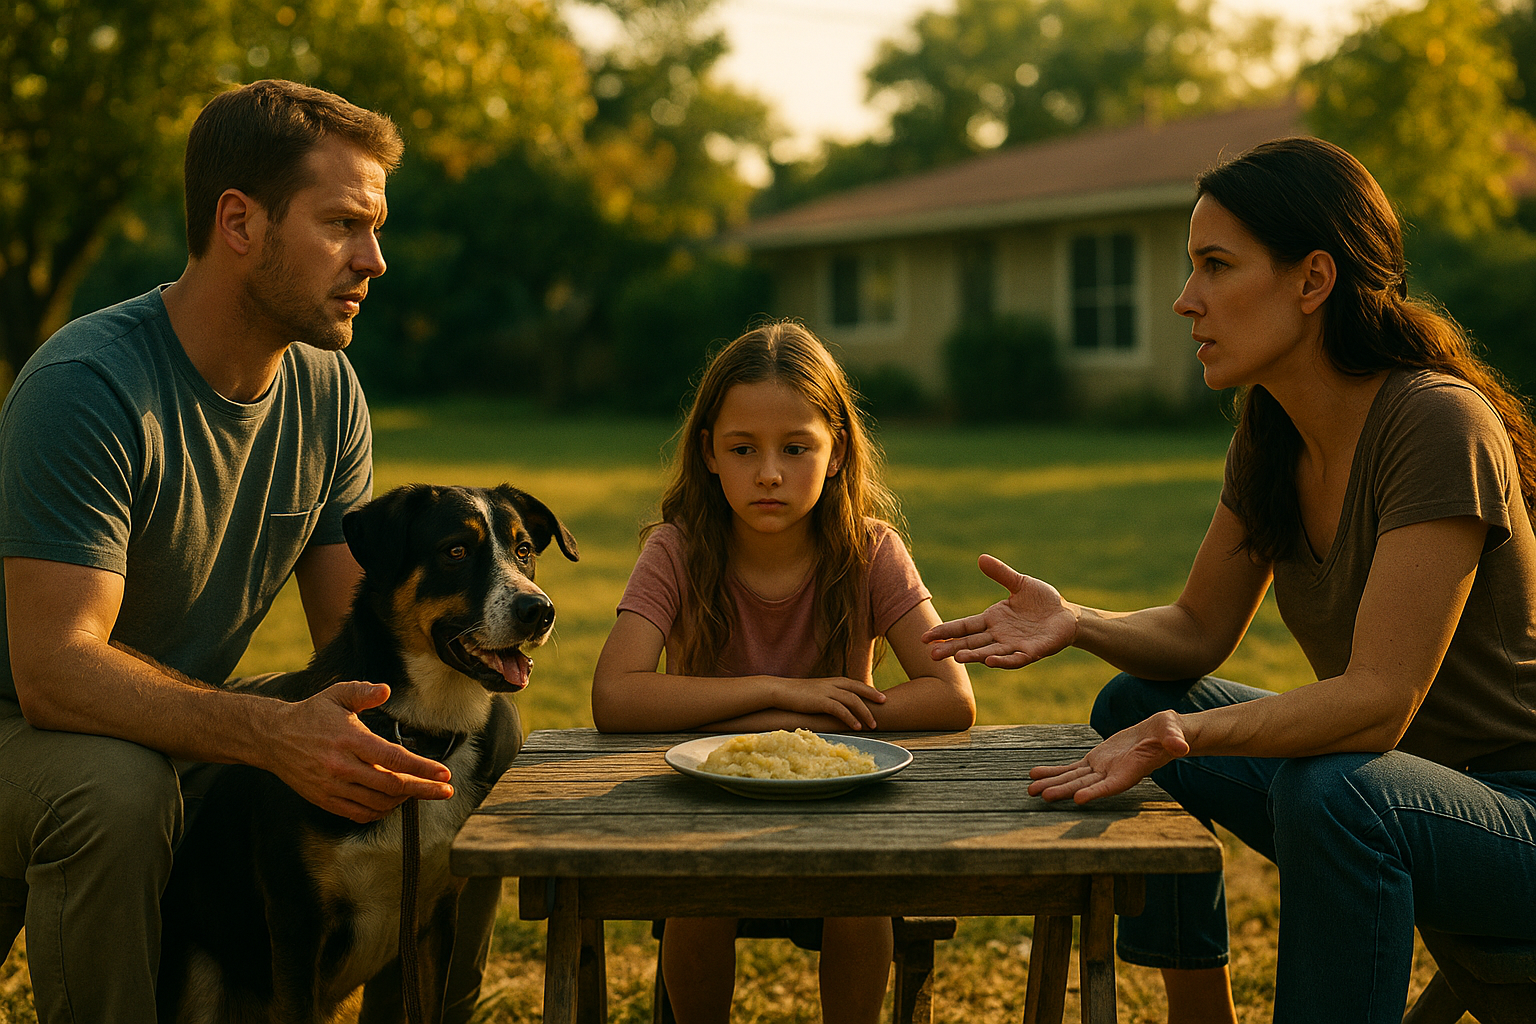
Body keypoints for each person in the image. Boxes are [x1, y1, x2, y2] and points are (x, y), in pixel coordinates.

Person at [923, 136, 1536, 1024]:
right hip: (1406, 787)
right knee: (1135, 701)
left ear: (1312, 279)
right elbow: (1198, 632)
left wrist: (1188, 733)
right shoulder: (1272, 431)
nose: (1185, 300)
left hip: (1512, 816)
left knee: (1335, 789)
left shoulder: (1438, 424)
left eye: (1215, 265)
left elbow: (1378, 703)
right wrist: (1079, 620)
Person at [0, 79, 513, 1023]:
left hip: (174, 721)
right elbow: (52, 672)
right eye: (345, 225)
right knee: (117, 791)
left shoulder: (327, 389)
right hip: (31, 732)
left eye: (378, 227)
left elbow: (354, 637)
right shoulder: (89, 385)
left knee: (475, 727)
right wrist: (272, 734)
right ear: (239, 221)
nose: (376, 259)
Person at [591, 321, 975, 1024]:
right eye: (744, 450)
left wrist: (791, 728)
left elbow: (950, 697)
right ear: (709, 452)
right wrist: (780, 693)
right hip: (708, 805)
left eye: (796, 448)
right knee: (698, 891)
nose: (769, 473)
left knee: (860, 892)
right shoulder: (677, 549)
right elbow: (614, 696)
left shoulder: (869, 548)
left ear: (836, 455)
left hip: (843, 805)